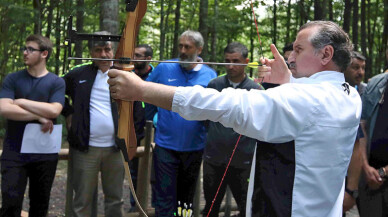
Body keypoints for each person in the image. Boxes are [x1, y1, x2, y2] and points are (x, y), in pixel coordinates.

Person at [107, 20, 361, 217]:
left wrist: (141, 90)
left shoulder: (307, 100)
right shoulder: (349, 95)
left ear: (326, 54)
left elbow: (225, 104)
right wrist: (289, 81)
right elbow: (307, 109)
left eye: (298, 49)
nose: (290, 57)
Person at [144, 30, 217, 216]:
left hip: (194, 147)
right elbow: (146, 96)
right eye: (180, 46)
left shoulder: (210, 75)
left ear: (199, 49)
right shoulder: (164, 68)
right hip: (165, 146)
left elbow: (214, 110)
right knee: (164, 197)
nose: (182, 50)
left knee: (186, 200)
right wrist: (144, 123)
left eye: (188, 47)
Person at [0, 34, 65, 217]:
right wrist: (39, 116)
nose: (25, 53)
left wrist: (20, 101)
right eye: (24, 48)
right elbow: (5, 109)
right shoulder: (13, 79)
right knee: (10, 203)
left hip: (44, 152)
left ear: (44, 54)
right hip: (14, 151)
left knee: (40, 203)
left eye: (30, 49)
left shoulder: (56, 82)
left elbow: (54, 111)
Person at [62, 31, 124, 217]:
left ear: (114, 51)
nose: (104, 54)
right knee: (82, 200)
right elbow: (56, 91)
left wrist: (133, 136)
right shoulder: (78, 74)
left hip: (115, 149)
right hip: (84, 149)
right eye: (98, 50)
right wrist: (69, 113)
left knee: (115, 199)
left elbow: (138, 108)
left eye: (107, 49)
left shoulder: (125, 75)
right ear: (91, 52)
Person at [202, 42, 262, 217]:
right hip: (214, 158)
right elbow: (205, 118)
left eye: (235, 61)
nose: (230, 66)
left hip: (243, 161)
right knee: (210, 207)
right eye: (227, 61)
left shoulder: (256, 89)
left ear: (246, 61)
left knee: (246, 208)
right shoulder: (214, 85)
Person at [357, 51, 388, 217]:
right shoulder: (376, 85)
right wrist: (365, 166)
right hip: (370, 179)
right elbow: (362, 126)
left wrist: (384, 172)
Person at [129, 44, 154, 212]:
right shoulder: (128, 75)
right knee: (134, 172)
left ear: (148, 59)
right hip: (133, 131)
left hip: (154, 131)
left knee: (155, 172)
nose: (134, 58)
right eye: (133, 55)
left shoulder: (156, 75)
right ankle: (135, 206)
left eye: (138, 56)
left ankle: (155, 206)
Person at [343, 51, 367, 216]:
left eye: (363, 68)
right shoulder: (338, 94)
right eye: (355, 67)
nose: (360, 72)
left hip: (365, 172)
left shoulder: (369, 92)